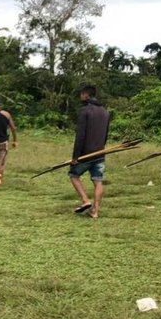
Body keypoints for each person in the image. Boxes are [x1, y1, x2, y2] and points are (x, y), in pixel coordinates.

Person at [69, 85, 110, 219]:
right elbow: (105, 135)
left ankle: (85, 200)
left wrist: (75, 156)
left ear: (86, 95)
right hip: (100, 153)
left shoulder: (85, 111)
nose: (80, 97)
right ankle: (95, 211)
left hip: (86, 154)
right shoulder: (105, 112)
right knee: (98, 181)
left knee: (73, 174)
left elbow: (80, 136)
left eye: (81, 94)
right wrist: (101, 149)